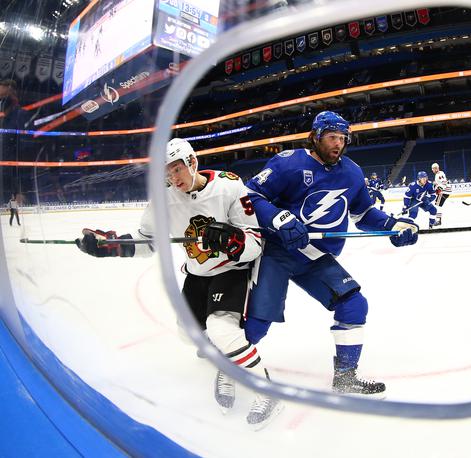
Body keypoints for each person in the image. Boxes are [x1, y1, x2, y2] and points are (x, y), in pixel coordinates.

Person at [75, 138, 282, 428]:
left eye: (176, 169)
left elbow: (256, 242)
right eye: (167, 173)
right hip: (197, 272)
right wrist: (113, 246)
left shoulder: (229, 185)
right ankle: (229, 362)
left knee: (222, 330)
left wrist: (232, 239)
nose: (173, 178)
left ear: (192, 162)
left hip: (230, 269)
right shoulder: (163, 200)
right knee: (188, 334)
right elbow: (148, 241)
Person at [244, 111, 418, 397]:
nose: (337, 144)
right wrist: (278, 219)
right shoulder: (288, 164)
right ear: (315, 137)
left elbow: (363, 214)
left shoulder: (351, 172)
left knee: (354, 305)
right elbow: (251, 196)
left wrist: (391, 225)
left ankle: (345, 377)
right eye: (331, 137)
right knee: (257, 326)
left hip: (314, 256)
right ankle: (226, 363)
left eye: (342, 138)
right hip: (277, 252)